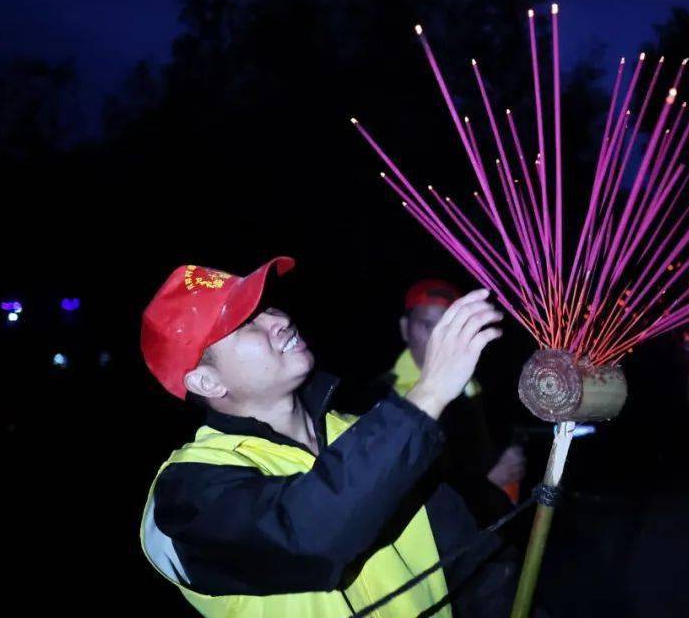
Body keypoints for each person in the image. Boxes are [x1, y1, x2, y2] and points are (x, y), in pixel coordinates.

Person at [138, 257, 516, 617]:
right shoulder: (182, 494)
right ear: (207, 381)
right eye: (246, 322)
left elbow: (472, 564)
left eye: (267, 306)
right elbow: (305, 538)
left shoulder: (365, 434)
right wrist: (428, 393)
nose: (279, 319)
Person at [369, 279, 525, 524]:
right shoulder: (381, 398)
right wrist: (487, 485)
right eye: (427, 325)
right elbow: (393, 498)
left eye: (448, 326)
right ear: (404, 328)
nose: (437, 337)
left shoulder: (477, 385)